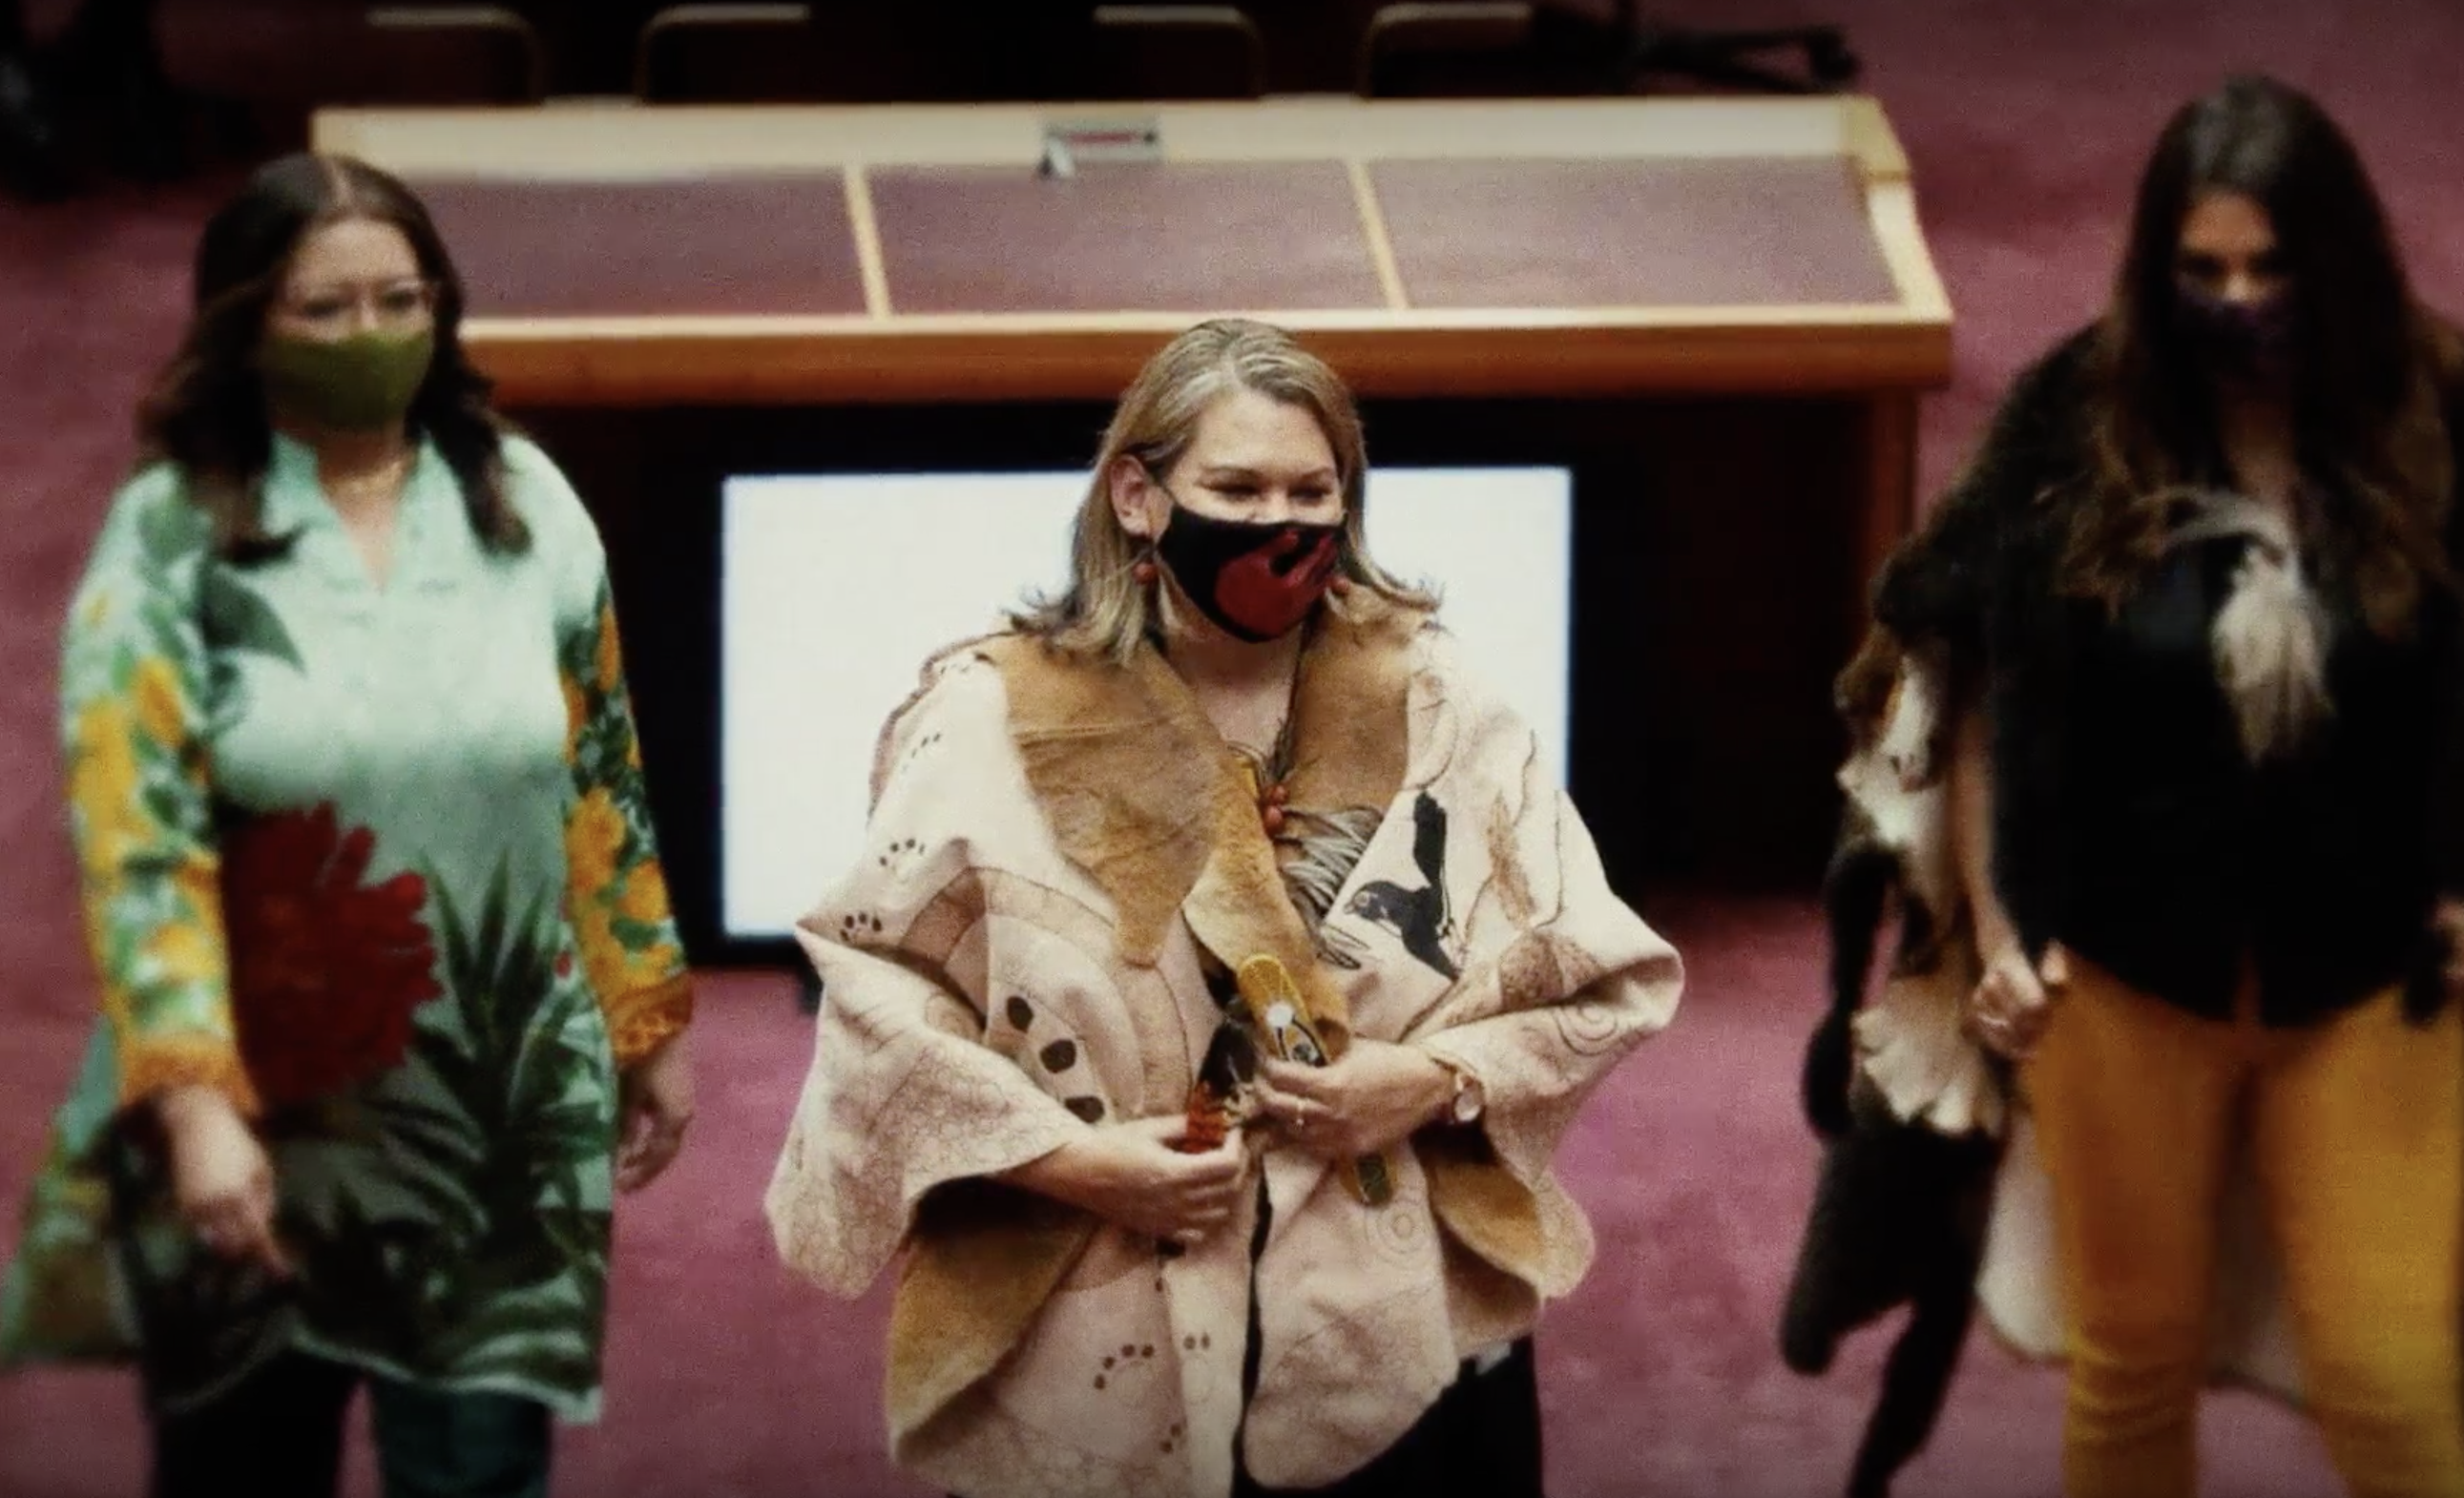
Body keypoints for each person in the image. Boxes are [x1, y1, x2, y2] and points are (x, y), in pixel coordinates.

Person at [762, 317, 1683, 1498]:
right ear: (1138, 497)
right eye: (1234, 487)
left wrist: (1428, 1080)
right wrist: (1072, 1159)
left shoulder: (1436, 698)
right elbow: (877, 989)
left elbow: (1599, 973)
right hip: (1101, 1318)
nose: (1277, 522)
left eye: (1312, 489)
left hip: (1395, 1324)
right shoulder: (991, 716)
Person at [0, 150, 698, 1497]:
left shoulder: (527, 502)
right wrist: (197, 1104)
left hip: (488, 1111)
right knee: (239, 1465)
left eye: (399, 300)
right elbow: (136, 844)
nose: (368, 335)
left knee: (480, 1473)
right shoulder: (170, 537)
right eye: (324, 310)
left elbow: (601, 765)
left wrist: (644, 1013)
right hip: (260, 1107)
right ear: (245, 321)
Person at [1868, 74, 2464, 1498]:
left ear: (2334, 262)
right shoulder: (2077, 417)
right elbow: (1973, 693)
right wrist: (2001, 940)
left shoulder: (2438, 416)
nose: (2238, 301)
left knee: (2388, 1374)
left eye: (2270, 268)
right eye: (2201, 271)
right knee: (2130, 1360)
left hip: (2380, 972)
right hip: (2121, 977)